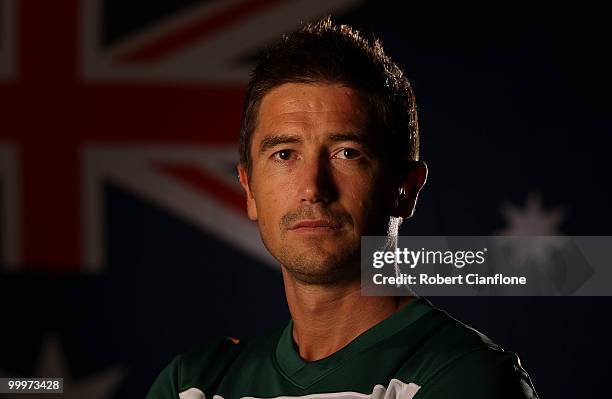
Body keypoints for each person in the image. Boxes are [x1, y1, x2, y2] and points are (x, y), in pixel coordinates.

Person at [146, 17, 538, 399]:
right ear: (249, 189)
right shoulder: (193, 385)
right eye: (285, 154)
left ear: (405, 189)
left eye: (346, 153)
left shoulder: (465, 376)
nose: (312, 188)